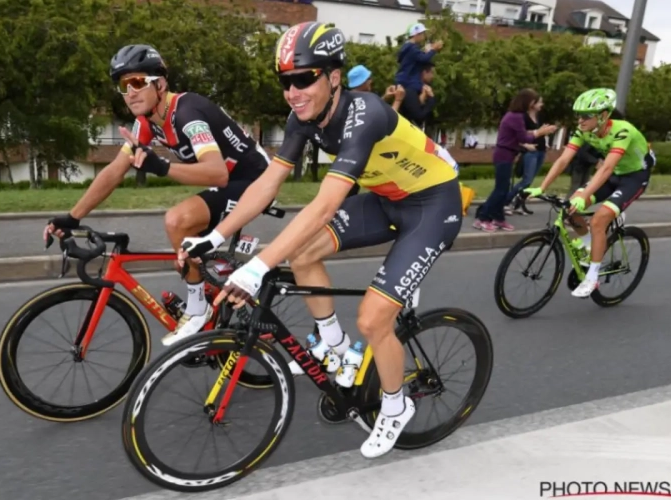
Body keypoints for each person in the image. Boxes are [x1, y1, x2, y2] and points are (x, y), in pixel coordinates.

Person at [179, 21, 462, 459]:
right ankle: (336, 350)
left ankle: (395, 404)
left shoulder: (365, 113)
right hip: (389, 198)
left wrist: (258, 267)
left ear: (333, 77)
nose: (293, 91)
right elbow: (267, 183)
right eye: (285, 81)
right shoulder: (302, 118)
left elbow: (324, 207)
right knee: (303, 251)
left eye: (304, 78)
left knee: (373, 319)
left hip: (433, 204)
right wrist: (215, 234)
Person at [43, 44, 270, 345]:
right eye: (124, 85)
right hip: (229, 182)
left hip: (256, 180)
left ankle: (198, 308)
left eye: (138, 82)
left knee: (178, 220)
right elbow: (113, 171)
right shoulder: (146, 123)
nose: (130, 92)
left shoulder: (187, 113)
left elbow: (217, 173)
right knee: (186, 247)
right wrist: (73, 217)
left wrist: (161, 166)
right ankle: (213, 293)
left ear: (160, 84)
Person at [524, 88, 655, 298]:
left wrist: (584, 196)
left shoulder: (623, 131)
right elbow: (563, 160)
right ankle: (588, 242)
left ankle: (592, 278)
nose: (580, 120)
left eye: (586, 116)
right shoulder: (583, 131)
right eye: (578, 115)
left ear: (603, 116)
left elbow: (606, 169)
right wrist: (542, 187)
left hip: (634, 177)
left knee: (598, 219)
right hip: (614, 174)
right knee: (569, 207)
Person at [473, 88, 556, 232]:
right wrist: (539, 132)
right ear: (528, 102)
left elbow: (520, 134)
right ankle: (483, 218)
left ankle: (499, 219)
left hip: (507, 154)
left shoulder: (515, 116)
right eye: (535, 101)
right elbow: (523, 137)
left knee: (503, 190)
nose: (536, 103)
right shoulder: (515, 116)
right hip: (504, 155)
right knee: (500, 190)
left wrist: (536, 133)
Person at [505, 93, 549, 215]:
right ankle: (506, 202)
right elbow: (519, 134)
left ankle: (518, 205)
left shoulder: (539, 116)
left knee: (529, 181)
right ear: (532, 104)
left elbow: (539, 132)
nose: (541, 104)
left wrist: (545, 131)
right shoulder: (522, 117)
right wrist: (525, 145)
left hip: (541, 150)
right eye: (539, 102)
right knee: (526, 180)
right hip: (530, 151)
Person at [394, 23, 442, 97]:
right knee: (428, 97)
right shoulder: (412, 48)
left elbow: (417, 58)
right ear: (417, 34)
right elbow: (423, 59)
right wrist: (433, 50)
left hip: (403, 80)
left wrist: (426, 52)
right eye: (422, 34)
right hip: (409, 82)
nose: (424, 36)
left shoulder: (407, 47)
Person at [399, 62, 436, 130]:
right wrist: (431, 98)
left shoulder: (419, 91)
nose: (432, 76)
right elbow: (418, 116)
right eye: (431, 73)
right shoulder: (410, 90)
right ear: (424, 72)